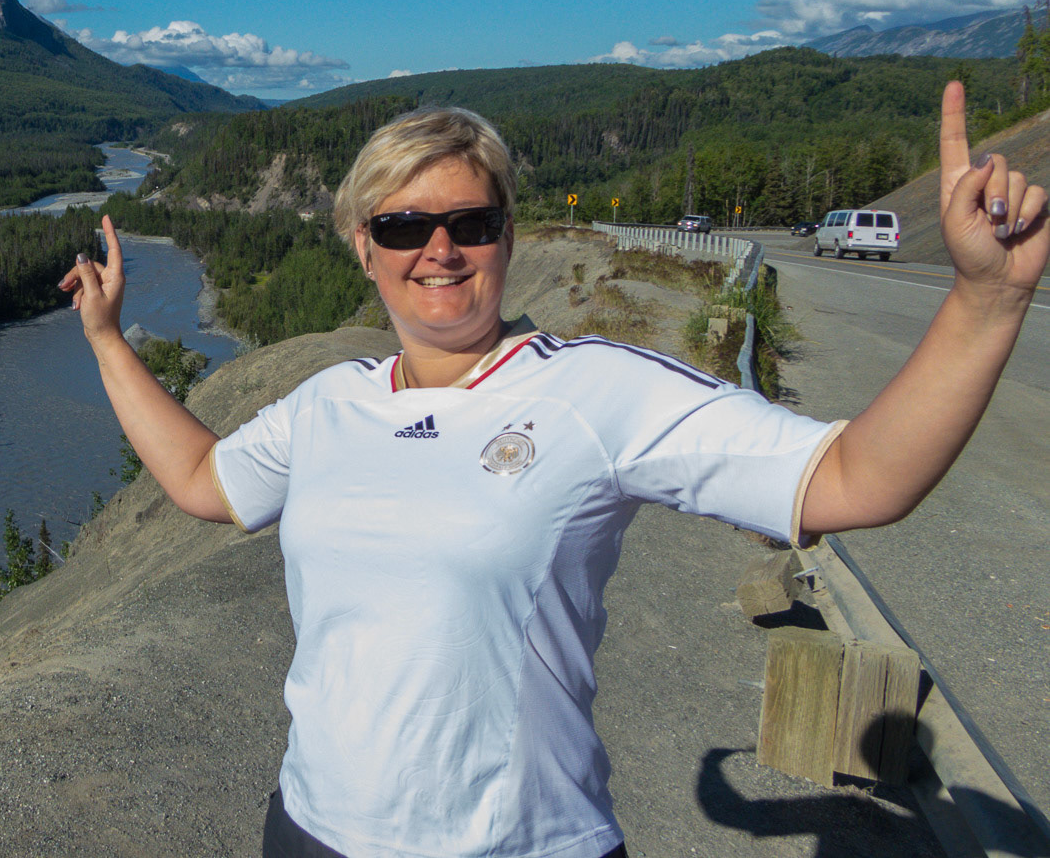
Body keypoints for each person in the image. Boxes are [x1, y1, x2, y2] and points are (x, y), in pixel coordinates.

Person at [58, 83, 1046, 858]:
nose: (438, 250)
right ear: (362, 247)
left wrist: (984, 302)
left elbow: (854, 480)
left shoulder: (593, 392)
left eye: (470, 224)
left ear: (506, 237)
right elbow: (200, 481)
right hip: (312, 831)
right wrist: (106, 339)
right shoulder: (327, 404)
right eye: (403, 226)